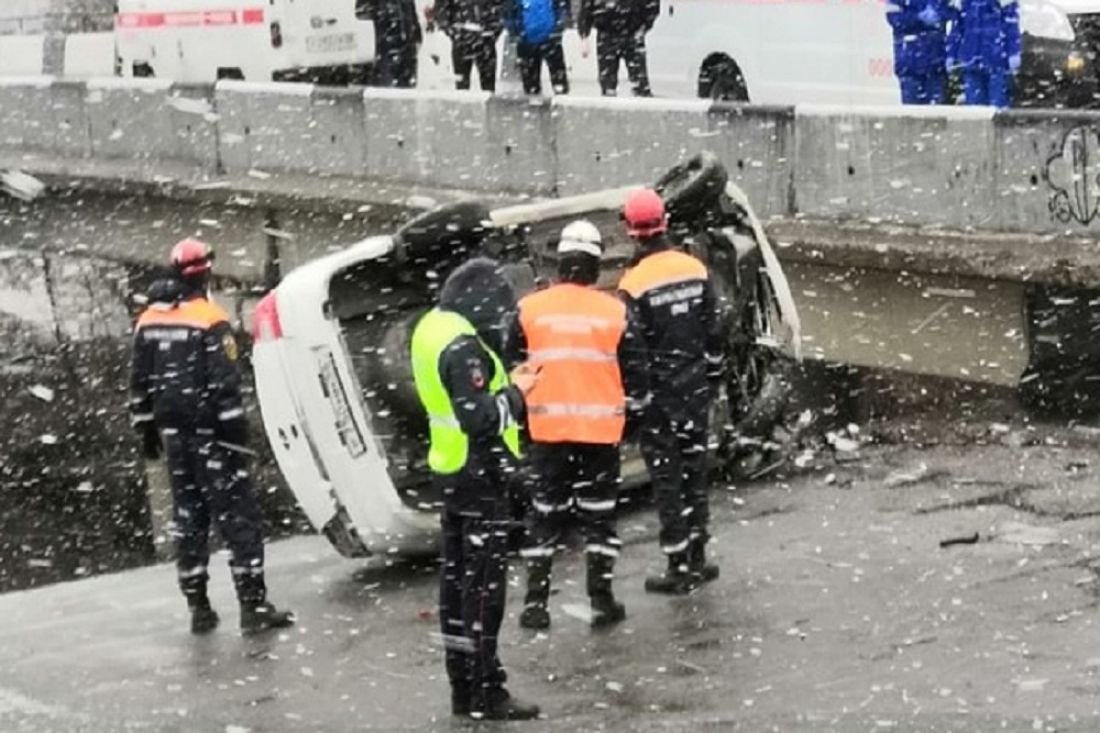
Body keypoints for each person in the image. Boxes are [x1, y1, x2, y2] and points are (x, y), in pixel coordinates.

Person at [130, 239, 294, 636]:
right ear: (205, 272)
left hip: (175, 438)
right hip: (213, 436)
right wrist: (238, 436)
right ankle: (252, 605)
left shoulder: (148, 319)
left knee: (190, 520)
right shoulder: (210, 319)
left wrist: (146, 426)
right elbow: (225, 386)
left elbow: (139, 381)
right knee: (238, 517)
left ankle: (198, 607)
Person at [410, 257, 542, 721]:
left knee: (455, 586)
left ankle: (463, 688)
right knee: (483, 591)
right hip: (479, 476)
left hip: (451, 473)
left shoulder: (431, 328)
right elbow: (480, 418)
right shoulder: (463, 347)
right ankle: (488, 691)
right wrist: (520, 391)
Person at [505, 220, 649, 631]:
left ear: (561, 264)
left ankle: (536, 604)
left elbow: (512, 363)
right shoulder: (615, 311)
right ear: (594, 265)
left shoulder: (529, 308)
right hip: (599, 437)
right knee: (599, 519)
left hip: (547, 435)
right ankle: (601, 598)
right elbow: (637, 378)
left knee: (544, 516)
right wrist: (632, 420)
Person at [617, 189, 725, 595]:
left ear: (631, 230)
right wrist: (711, 379)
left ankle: (678, 564)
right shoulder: (694, 268)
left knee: (666, 479)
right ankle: (699, 556)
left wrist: (636, 400)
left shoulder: (633, 283)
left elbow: (632, 349)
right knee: (695, 473)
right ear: (664, 222)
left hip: (660, 398)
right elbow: (714, 329)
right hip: (695, 388)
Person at [577, 0, 659, 97]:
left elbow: (653, 5)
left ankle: (641, 96)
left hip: (631, 31)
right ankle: (610, 100)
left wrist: (644, 26)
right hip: (608, 32)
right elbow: (586, 7)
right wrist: (584, 33)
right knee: (608, 83)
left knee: (639, 81)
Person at [948, 0, 1020, 108]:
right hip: (971, 60)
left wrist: (1013, 52)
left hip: (997, 61)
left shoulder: (1005, 2)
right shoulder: (963, 3)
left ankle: (996, 122)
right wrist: (951, 54)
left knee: (997, 105)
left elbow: (1012, 27)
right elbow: (956, 29)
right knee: (974, 107)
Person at [886, 0, 953, 104]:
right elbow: (894, 17)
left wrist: (939, 14)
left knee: (936, 114)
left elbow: (953, 12)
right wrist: (919, 17)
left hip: (936, 61)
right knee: (912, 113)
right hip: (909, 62)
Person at [434, 0, 504, 91]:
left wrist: (494, 29)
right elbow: (441, 10)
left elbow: (503, 8)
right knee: (462, 85)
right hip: (464, 39)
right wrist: (452, 30)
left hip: (484, 39)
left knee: (487, 85)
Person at [505, 0, 571, 95]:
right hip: (527, 41)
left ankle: (558, 97)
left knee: (559, 83)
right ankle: (535, 103)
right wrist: (515, 32)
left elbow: (563, 9)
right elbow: (508, 12)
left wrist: (558, 28)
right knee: (531, 87)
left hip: (549, 40)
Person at [368, 0, 423, 87]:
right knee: (386, 88)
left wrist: (417, 35)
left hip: (407, 46)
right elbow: (362, 13)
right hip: (386, 48)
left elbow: (411, 14)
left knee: (406, 88)